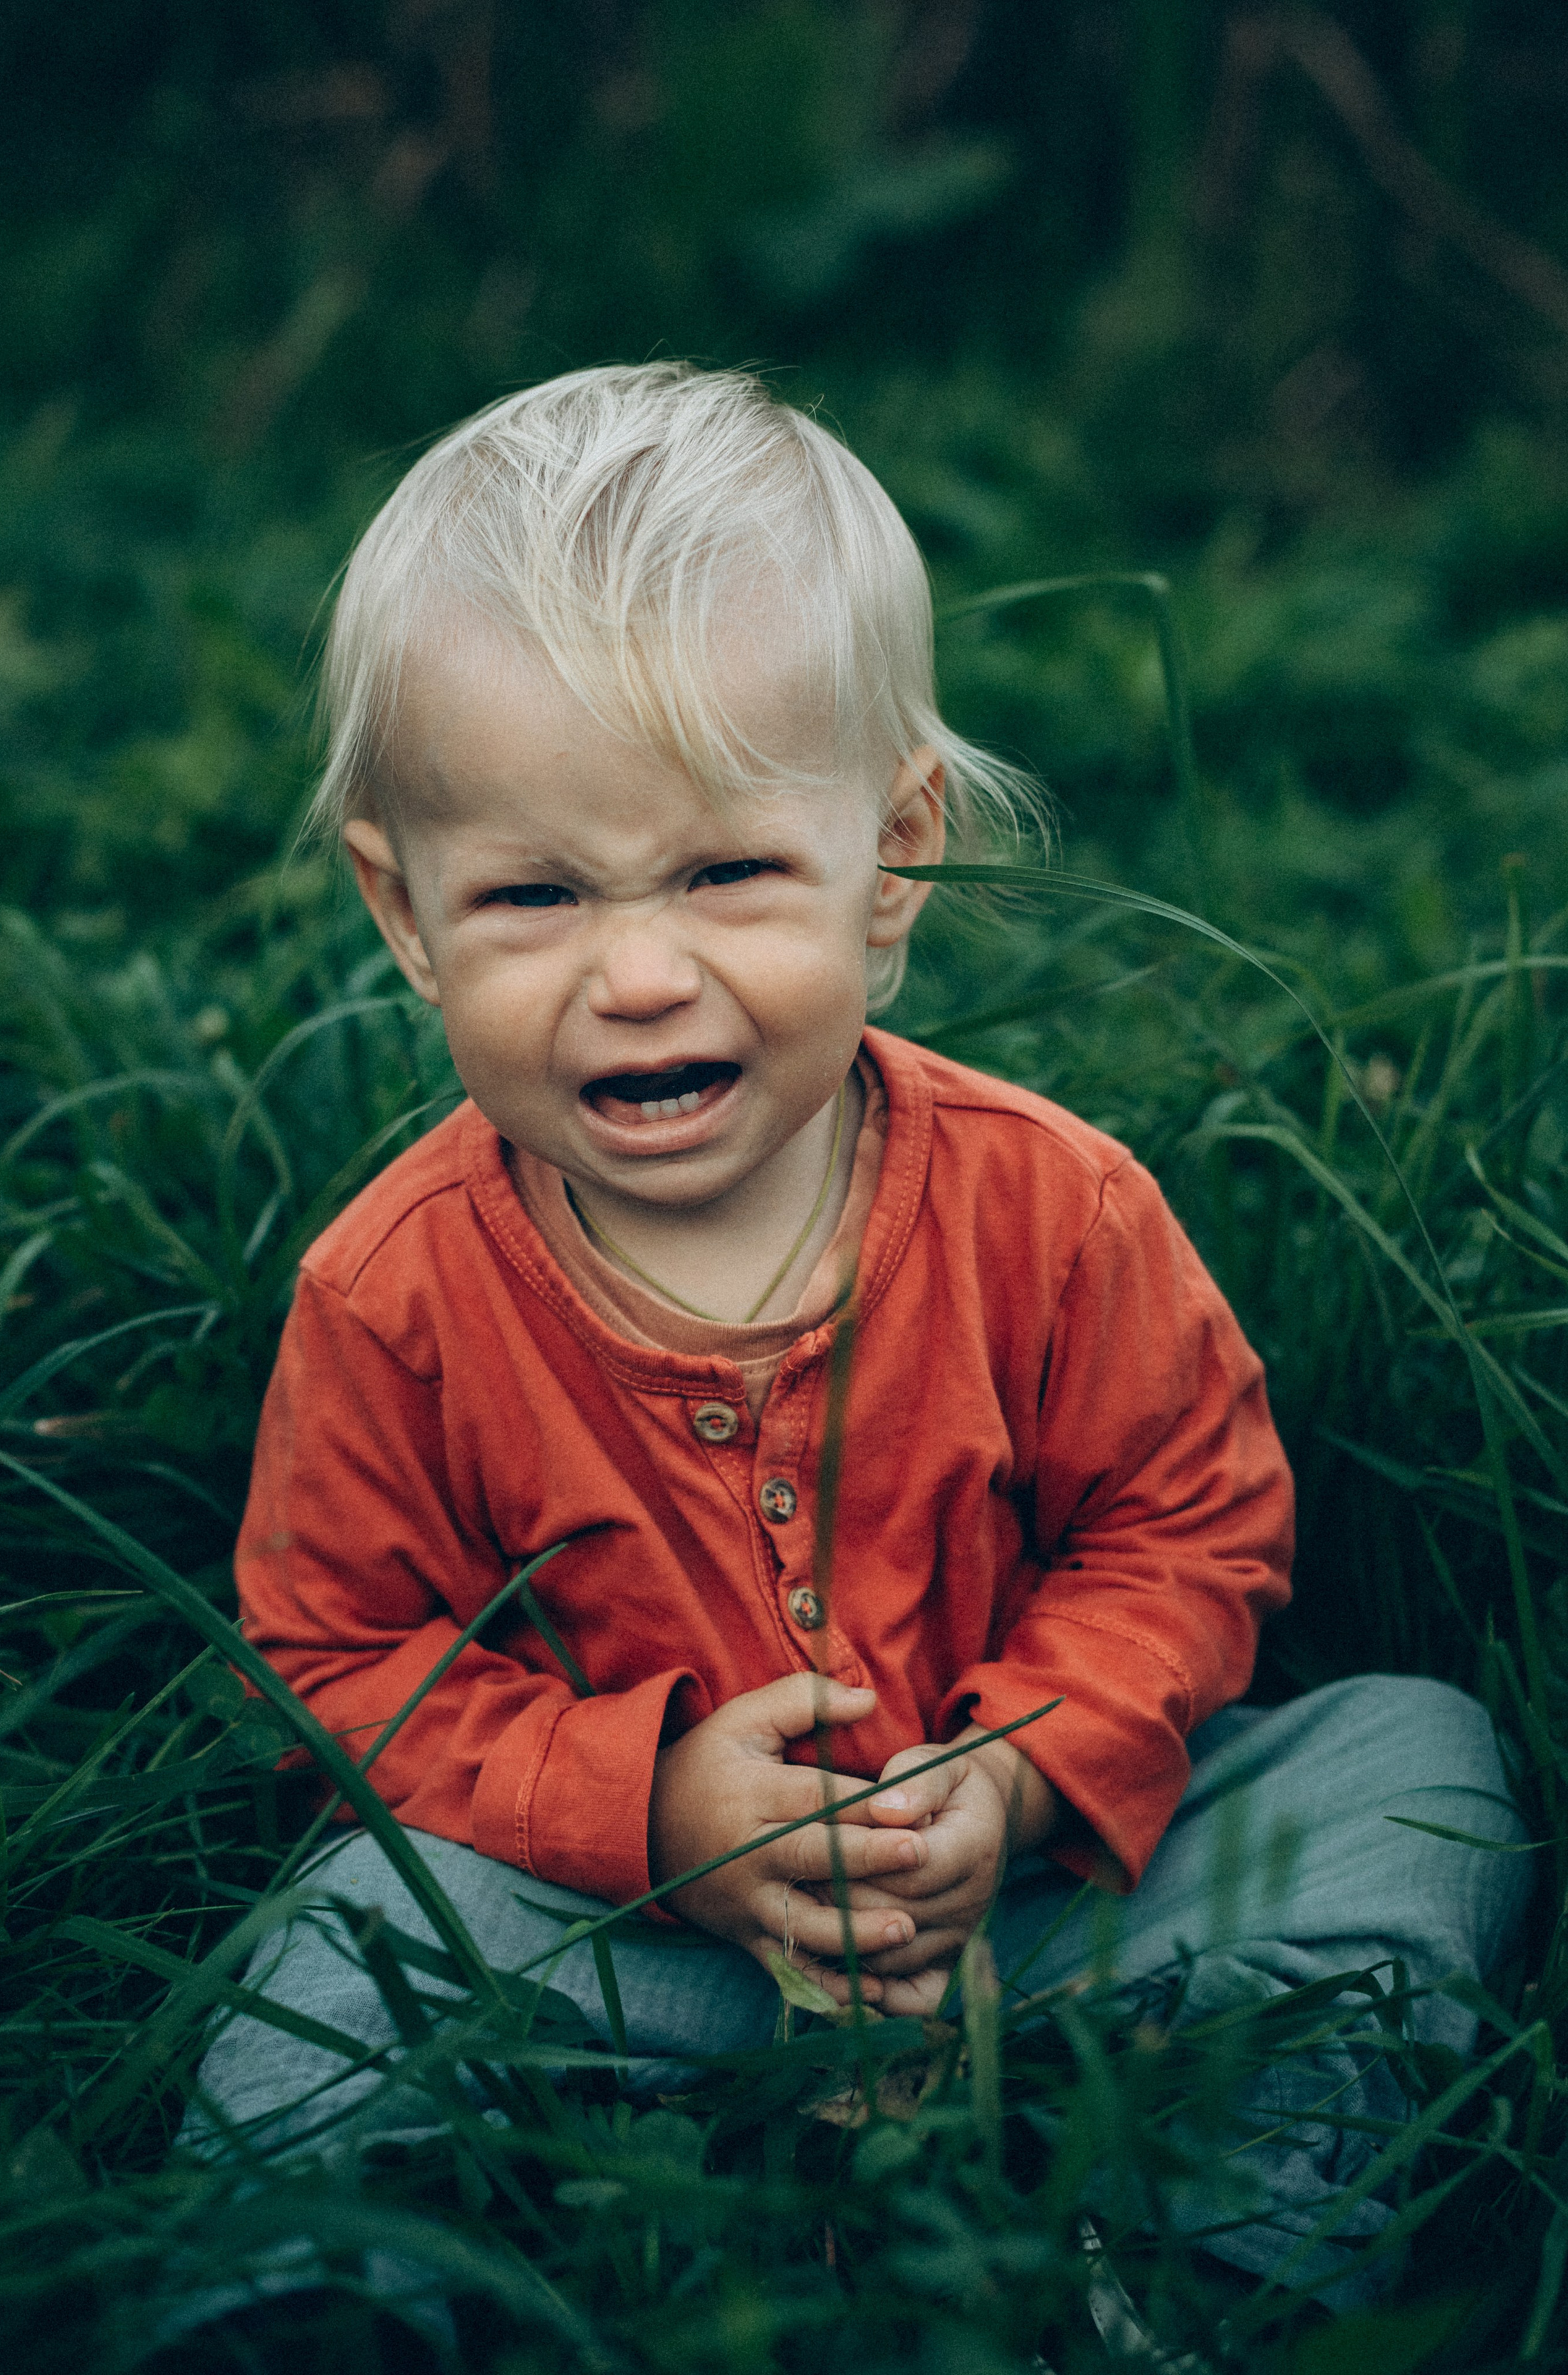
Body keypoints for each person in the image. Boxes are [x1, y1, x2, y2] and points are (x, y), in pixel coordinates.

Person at [185, 363, 1528, 2318]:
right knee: (336, 1957)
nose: (639, 975)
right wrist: (640, 1810)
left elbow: (1190, 1530)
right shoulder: (394, 1293)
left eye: (728, 871)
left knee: (1422, 1762)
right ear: (405, 913)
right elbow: (331, 1667)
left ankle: (1223, 2225)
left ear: (893, 854)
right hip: (634, 1930)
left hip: (1045, 1896)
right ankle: (328, 2295)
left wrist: (1021, 1779)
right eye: (535, 895)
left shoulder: (1054, 1209)